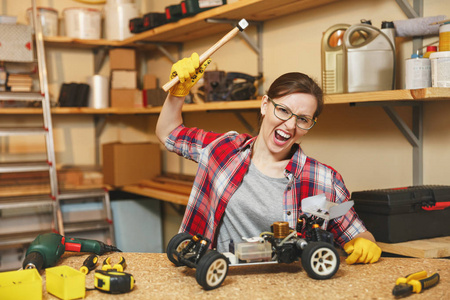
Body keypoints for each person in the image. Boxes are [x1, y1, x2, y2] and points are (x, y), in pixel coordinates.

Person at [156, 53, 381, 265]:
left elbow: (358, 233)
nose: (291, 125)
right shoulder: (223, 150)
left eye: (303, 119)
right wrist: (178, 92)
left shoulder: (323, 180)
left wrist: (365, 243)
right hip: (218, 278)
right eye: (283, 110)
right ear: (265, 105)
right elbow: (169, 133)